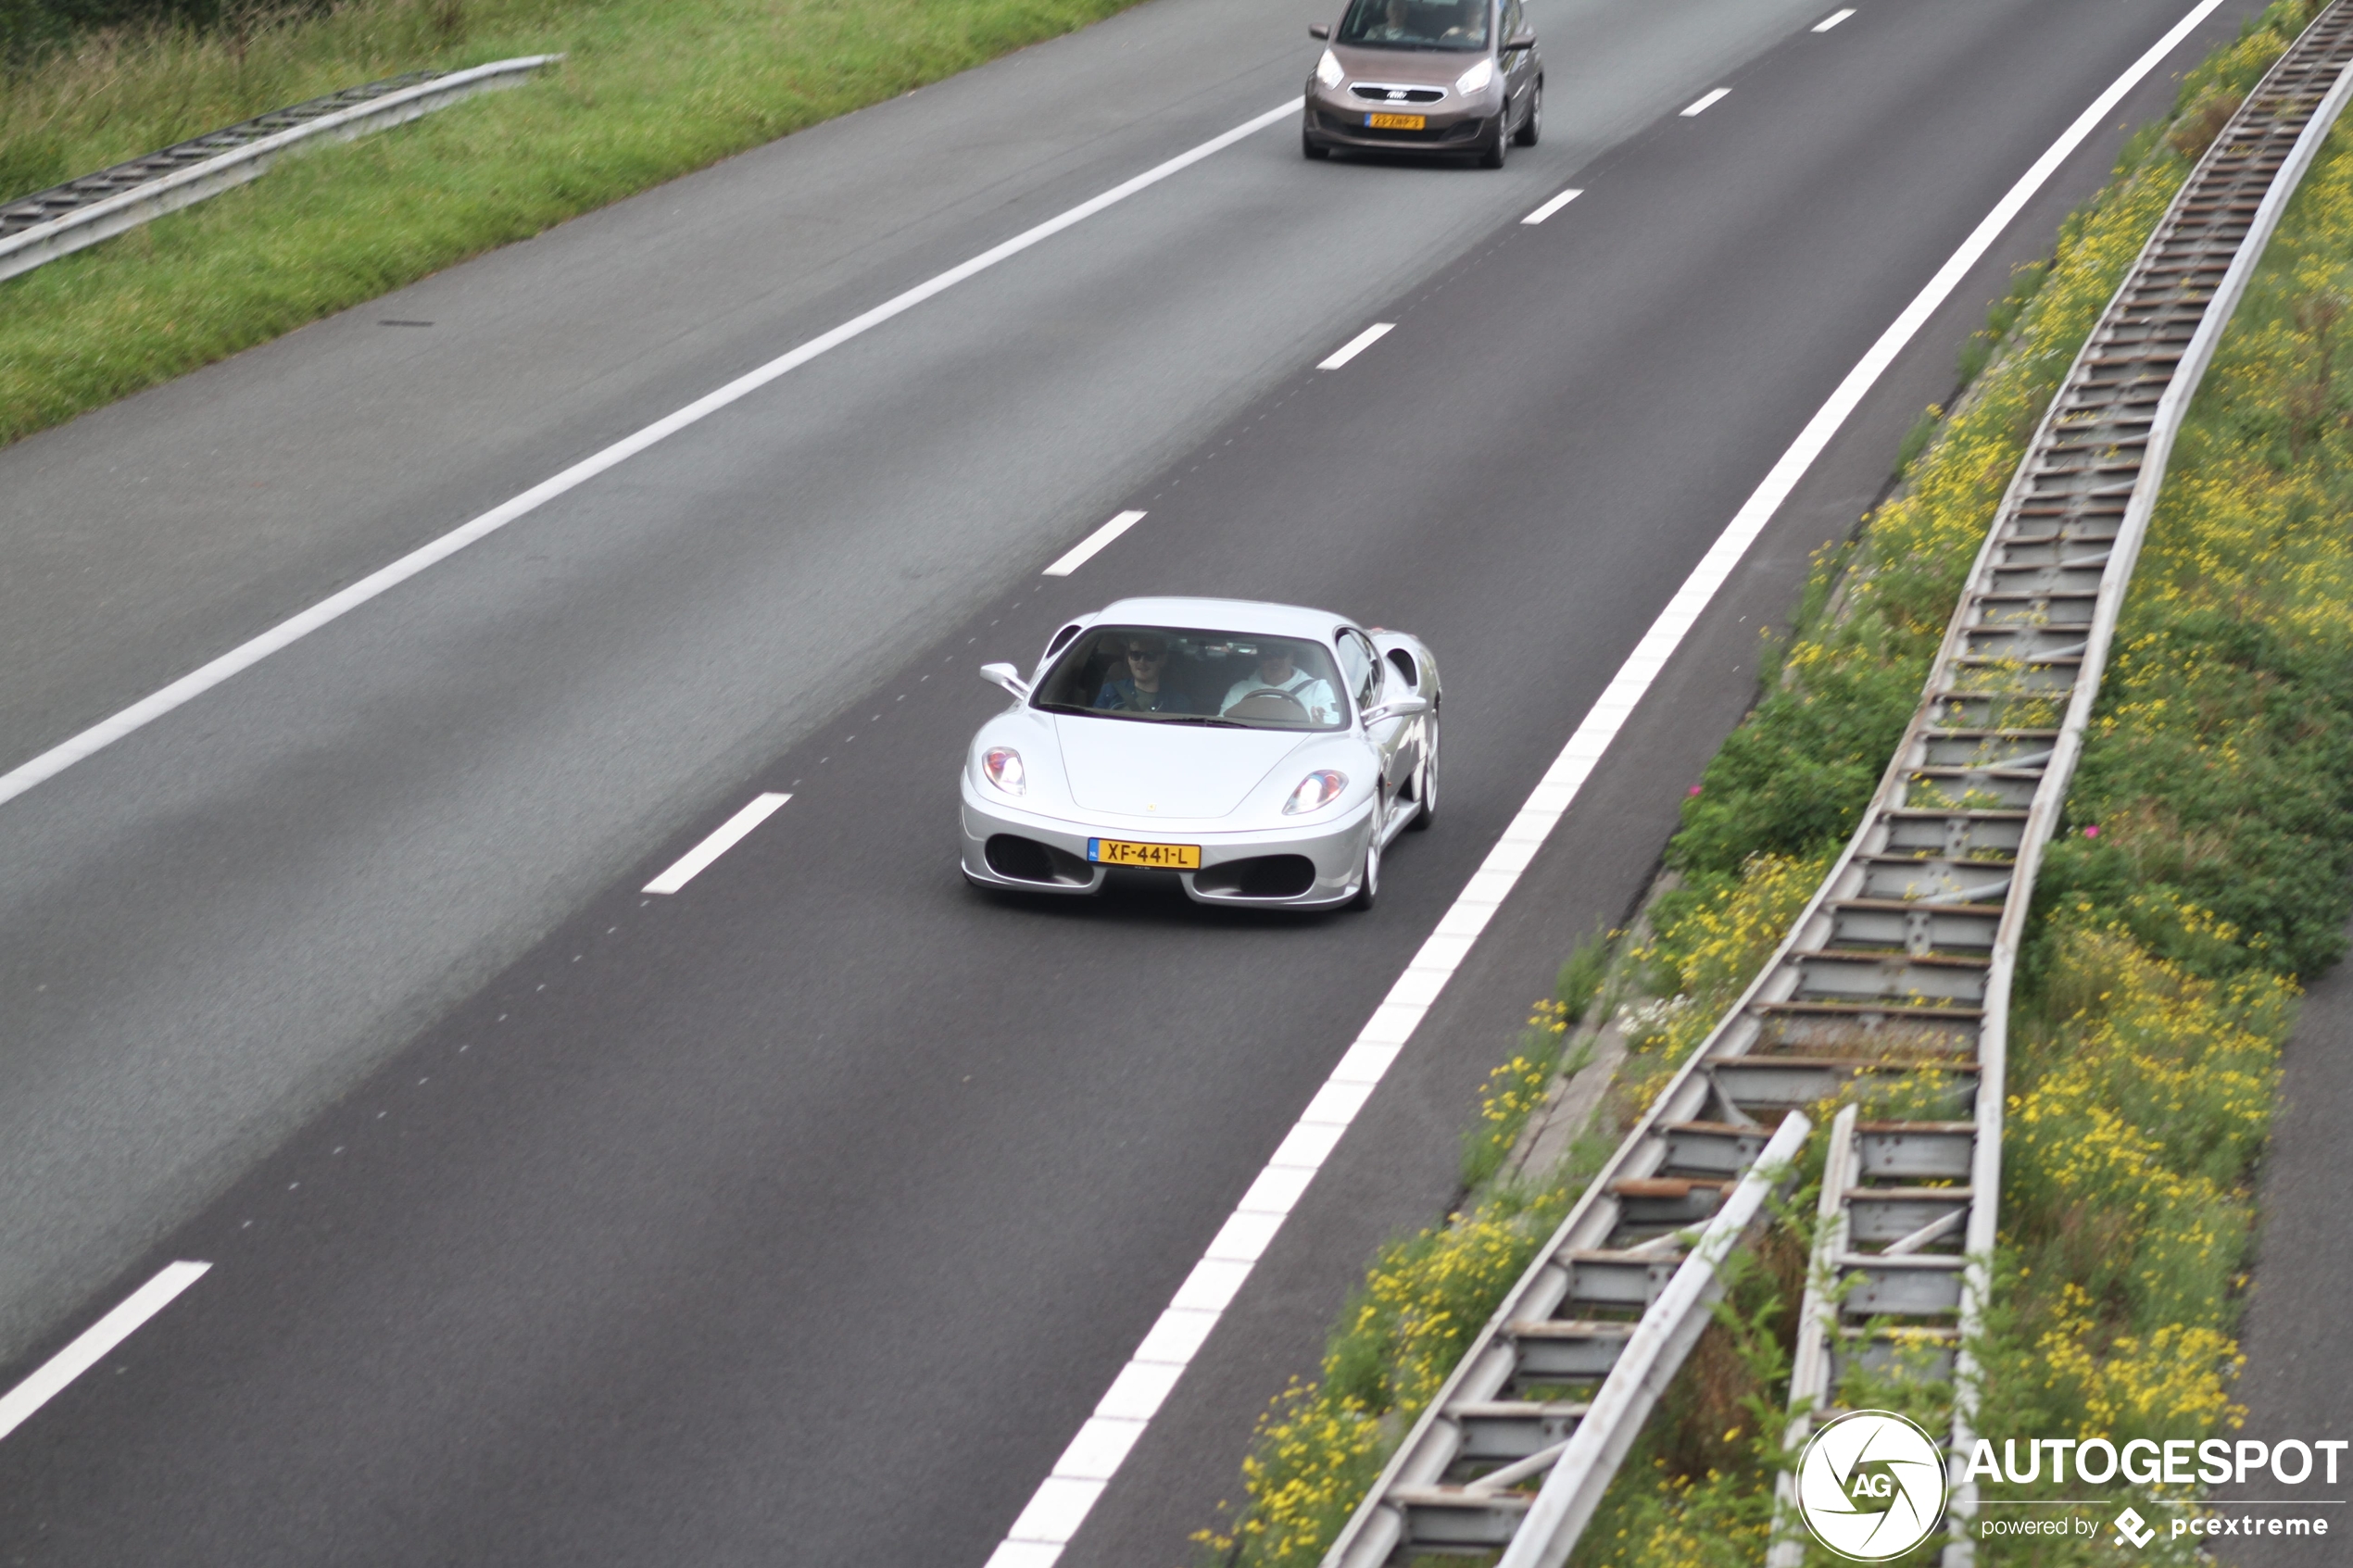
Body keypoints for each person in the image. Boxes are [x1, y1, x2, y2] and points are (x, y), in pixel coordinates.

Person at [1220, 643, 1340, 724]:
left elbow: (1333, 723)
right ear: (1259, 660)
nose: (1274, 661)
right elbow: (1222, 724)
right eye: (1267, 656)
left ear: (1292, 657)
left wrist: (1320, 725)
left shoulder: (1318, 689)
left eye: (1280, 654)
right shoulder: (1240, 690)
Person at [1094, 635, 1194, 714]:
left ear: (1162, 660)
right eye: (1135, 655)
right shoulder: (1110, 691)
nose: (1142, 661)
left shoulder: (1178, 703)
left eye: (1150, 656)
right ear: (1129, 659)